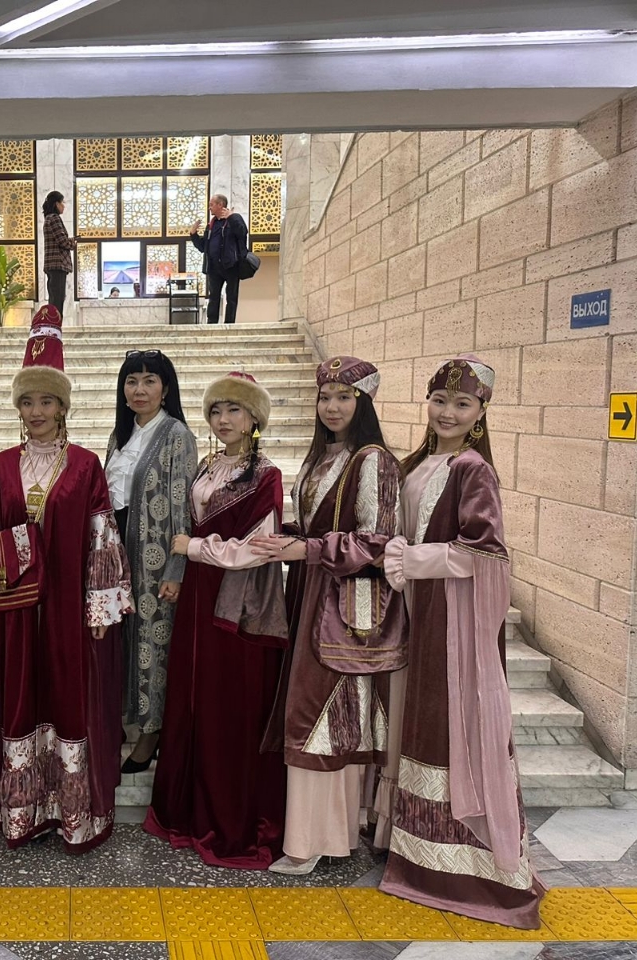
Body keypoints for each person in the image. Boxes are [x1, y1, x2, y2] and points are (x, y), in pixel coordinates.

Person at [0, 305, 132, 852]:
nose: (36, 412)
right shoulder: (3, 464)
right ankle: (23, 812)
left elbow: (101, 535)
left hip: (70, 609)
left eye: (46, 401)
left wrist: (101, 608)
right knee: (20, 699)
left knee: (68, 699)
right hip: (15, 608)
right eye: (27, 402)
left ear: (62, 406)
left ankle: (71, 812)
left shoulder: (86, 464)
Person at [377, 355, 544, 929]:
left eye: (461, 403)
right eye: (440, 400)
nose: (447, 411)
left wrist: (411, 559)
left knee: (453, 727)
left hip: (453, 626)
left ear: (480, 412)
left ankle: (465, 869)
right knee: (422, 721)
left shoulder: (473, 470)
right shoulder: (418, 463)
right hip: (420, 615)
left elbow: (485, 552)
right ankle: (416, 854)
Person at [251, 357, 404, 876]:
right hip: (311, 593)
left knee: (322, 716)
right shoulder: (324, 456)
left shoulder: (373, 460)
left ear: (364, 403)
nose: (332, 407)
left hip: (343, 605)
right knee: (314, 712)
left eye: (344, 397)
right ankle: (321, 833)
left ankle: (314, 840)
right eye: (325, 397)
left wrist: (309, 550)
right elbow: (320, 525)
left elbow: (378, 541)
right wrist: (287, 536)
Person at [145, 372, 289, 869]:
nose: (223, 419)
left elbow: (258, 549)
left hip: (236, 602)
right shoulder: (208, 466)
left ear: (254, 419)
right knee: (194, 697)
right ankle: (186, 813)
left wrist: (195, 548)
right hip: (197, 597)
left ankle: (230, 823)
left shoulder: (266, 475)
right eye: (215, 410)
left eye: (234, 410)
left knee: (229, 704)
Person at [104, 350, 197, 774]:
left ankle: (151, 734)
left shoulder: (176, 434)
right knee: (124, 641)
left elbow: (183, 509)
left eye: (149, 380)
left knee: (153, 646)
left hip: (156, 559)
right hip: (118, 556)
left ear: (166, 388)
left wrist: (176, 569)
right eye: (131, 381)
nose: (139, 389)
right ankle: (127, 720)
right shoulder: (119, 436)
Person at [189, 194, 248, 325]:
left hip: (231, 266)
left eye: (211, 205)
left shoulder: (234, 218)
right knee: (213, 297)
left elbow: (242, 232)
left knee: (231, 297)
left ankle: (229, 324)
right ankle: (212, 324)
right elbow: (203, 247)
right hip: (214, 267)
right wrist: (193, 235)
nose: (209, 207)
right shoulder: (211, 224)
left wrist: (232, 217)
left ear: (220, 205)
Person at [42, 190, 76, 312]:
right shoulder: (54, 218)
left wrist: (68, 240)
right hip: (58, 264)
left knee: (54, 299)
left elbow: (58, 239)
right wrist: (73, 243)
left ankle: (54, 323)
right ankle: (56, 323)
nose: (64, 206)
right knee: (57, 301)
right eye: (62, 202)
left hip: (52, 265)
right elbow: (63, 242)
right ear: (56, 204)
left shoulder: (48, 218)